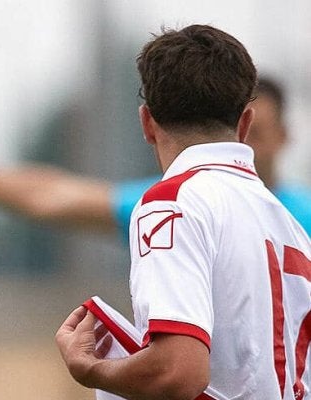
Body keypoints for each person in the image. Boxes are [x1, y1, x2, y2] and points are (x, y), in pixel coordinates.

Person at [55, 25, 311, 399]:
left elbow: (179, 371)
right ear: (245, 123)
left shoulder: (171, 202)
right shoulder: (289, 223)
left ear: (147, 123)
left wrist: (91, 368)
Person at [0, 77, 311, 236]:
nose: (241, 147)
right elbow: (51, 196)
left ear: (284, 137)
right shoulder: (172, 207)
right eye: (233, 134)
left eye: (255, 135)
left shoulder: (304, 215)